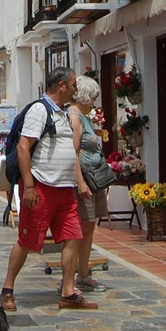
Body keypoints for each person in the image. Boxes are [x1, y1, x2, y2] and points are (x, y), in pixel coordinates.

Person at [0, 67, 95, 312]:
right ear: (61, 85)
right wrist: (29, 186)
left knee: (72, 237)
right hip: (42, 187)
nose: (75, 89)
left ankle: (68, 291)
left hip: (64, 189)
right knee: (28, 240)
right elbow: (23, 148)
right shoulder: (40, 110)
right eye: (73, 85)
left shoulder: (62, 113)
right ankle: (7, 289)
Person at [71, 75, 109, 293]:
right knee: (81, 226)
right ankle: (73, 274)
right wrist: (80, 181)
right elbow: (73, 151)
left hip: (95, 180)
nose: (94, 101)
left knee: (89, 226)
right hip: (85, 180)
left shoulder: (84, 117)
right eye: (93, 96)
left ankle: (83, 272)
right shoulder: (75, 117)